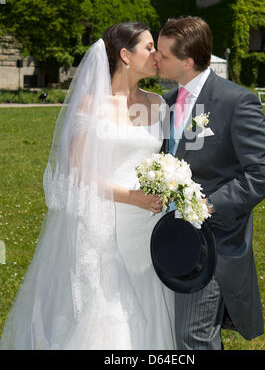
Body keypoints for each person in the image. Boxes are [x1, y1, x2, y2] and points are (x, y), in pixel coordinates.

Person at [0, 22, 176, 350]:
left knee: (152, 305)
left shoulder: (158, 104)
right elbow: (77, 172)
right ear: (125, 55)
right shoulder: (92, 105)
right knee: (110, 312)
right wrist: (130, 197)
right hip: (106, 220)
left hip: (148, 225)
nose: (157, 54)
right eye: (149, 47)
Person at [154, 16, 265, 350]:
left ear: (187, 61)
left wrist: (210, 205)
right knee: (177, 334)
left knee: (193, 336)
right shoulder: (166, 103)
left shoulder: (235, 101)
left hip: (214, 242)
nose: (156, 59)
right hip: (170, 241)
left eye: (163, 54)